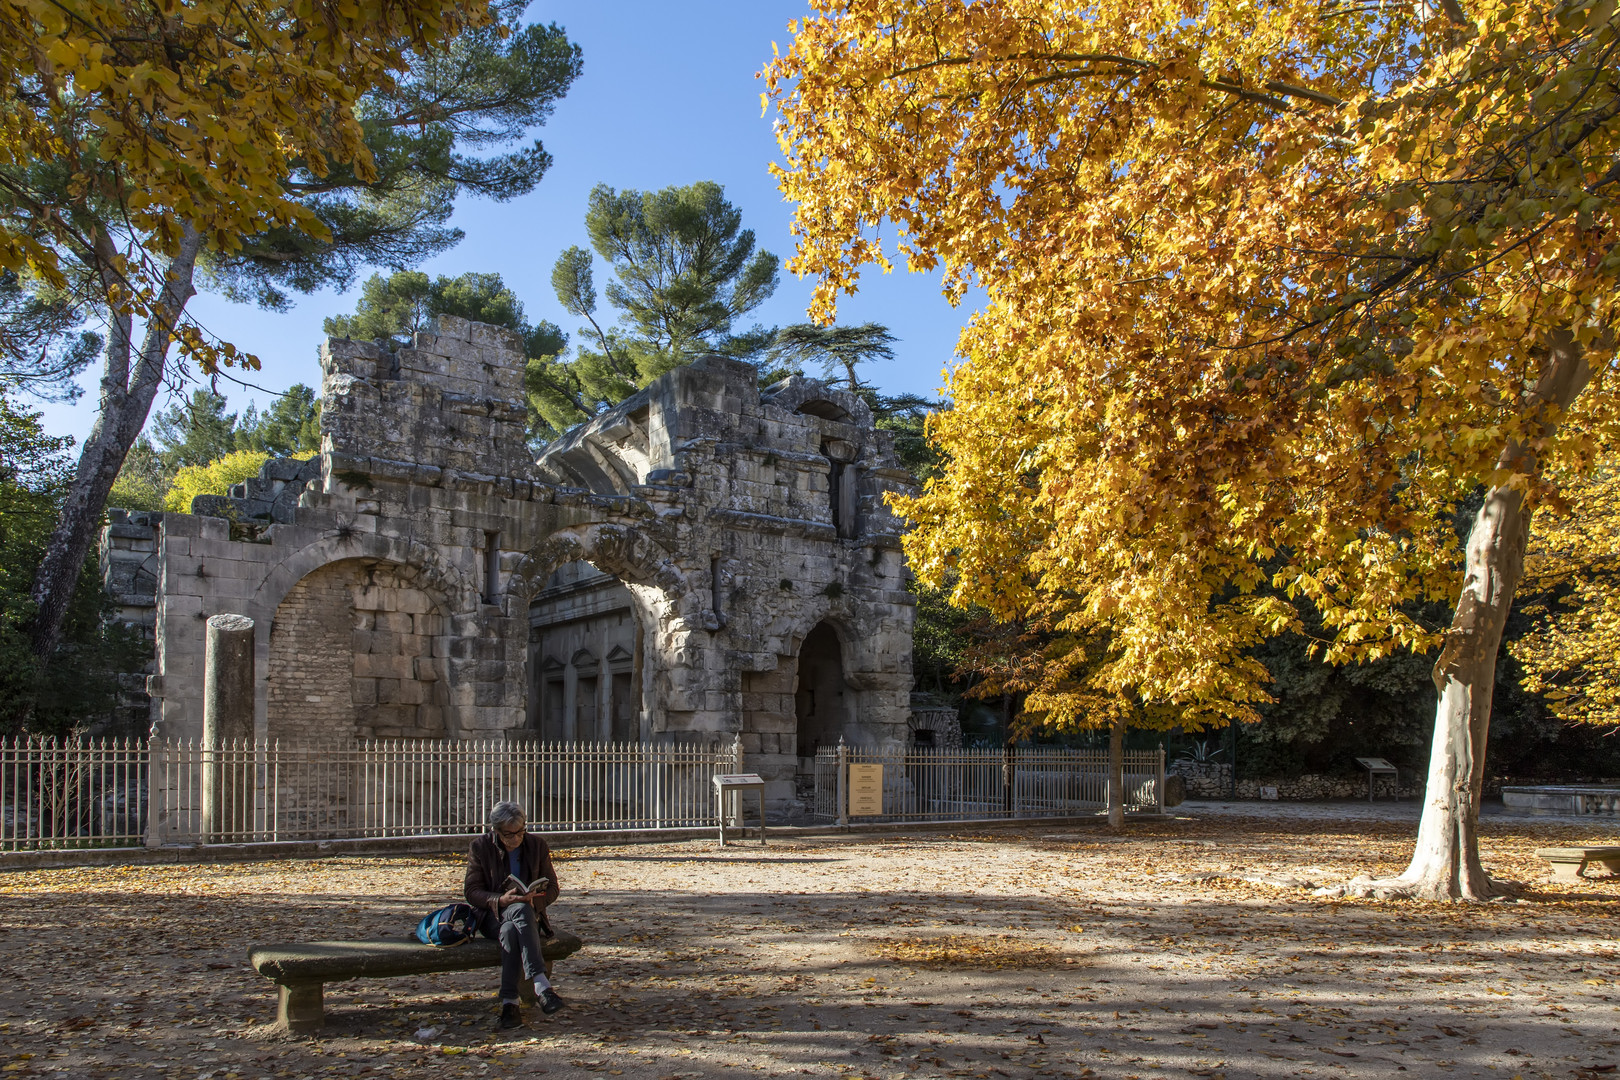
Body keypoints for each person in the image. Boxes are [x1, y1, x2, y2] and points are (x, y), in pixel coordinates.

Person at [465, 800, 566, 1028]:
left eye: (521, 832)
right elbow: (471, 891)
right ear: (497, 831)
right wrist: (499, 899)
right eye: (510, 835)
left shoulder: (537, 845)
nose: (517, 839)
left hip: (528, 914)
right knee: (516, 912)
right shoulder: (480, 847)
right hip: (493, 917)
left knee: (512, 929)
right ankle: (541, 985)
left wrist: (535, 900)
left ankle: (510, 1004)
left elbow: (552, 888)